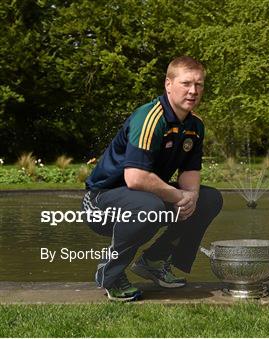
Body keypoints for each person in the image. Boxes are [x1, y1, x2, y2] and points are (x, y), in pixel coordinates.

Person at [81, 56, 223, 301]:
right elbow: (135, 178)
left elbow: (190, 172)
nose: (193, 91)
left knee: (209, 199)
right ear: (168, 84)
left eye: (199, 84)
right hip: (100, 202)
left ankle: (154, 261)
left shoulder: (195, 125)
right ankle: (110, 274)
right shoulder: (150, 118)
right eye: (186, 83)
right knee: (150, 206)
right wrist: (179, 195)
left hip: (142, 200)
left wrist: (191, 197)